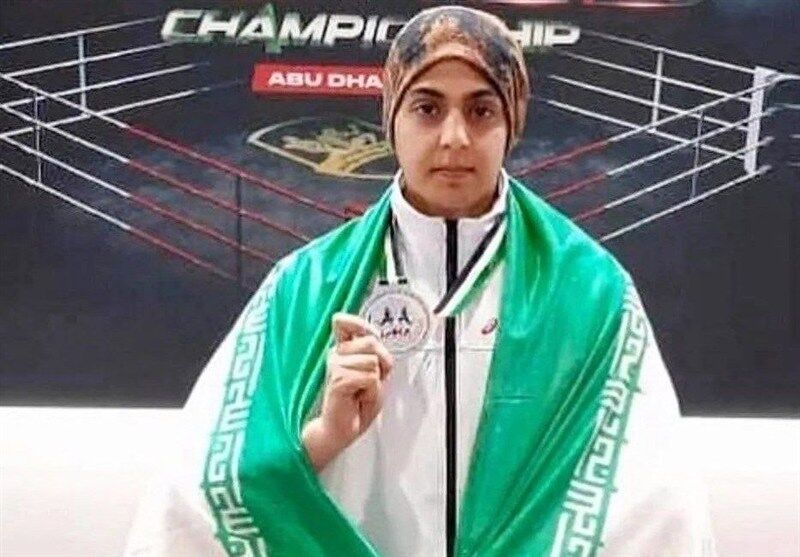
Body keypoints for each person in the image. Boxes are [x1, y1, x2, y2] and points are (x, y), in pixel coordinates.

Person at [124, 6, 717, 557]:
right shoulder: (303, 290)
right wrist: (320, 439)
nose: (454, 137)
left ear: (511, 123)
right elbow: (205, 489)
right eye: (428, 109)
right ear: (392, 120)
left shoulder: (590, 292)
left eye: (481, 111)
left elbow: (654, 495)